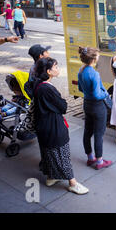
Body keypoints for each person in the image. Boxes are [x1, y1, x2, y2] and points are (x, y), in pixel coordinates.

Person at [33, 57, 89, 194]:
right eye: (56, 67)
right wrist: (61, 101)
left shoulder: (38, 84)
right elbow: (63, 106)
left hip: (44, 126)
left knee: (49, 153)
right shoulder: (47, 89)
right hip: (53, 126)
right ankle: (72, 183)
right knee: (61, 154)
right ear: (48, 71)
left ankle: (52, 176)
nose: (58, 69)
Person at [78, 46, 113, 170]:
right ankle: (99, 162)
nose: (99, 57)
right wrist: (106, 94)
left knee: (87, 132)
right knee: (99, 134)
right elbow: (98, 94)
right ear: (93, 59)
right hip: (98, 107)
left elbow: (80, 89)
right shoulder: (94, 74)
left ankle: (90, 157)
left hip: (87, 104)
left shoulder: (81, 70)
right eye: (97, 55)